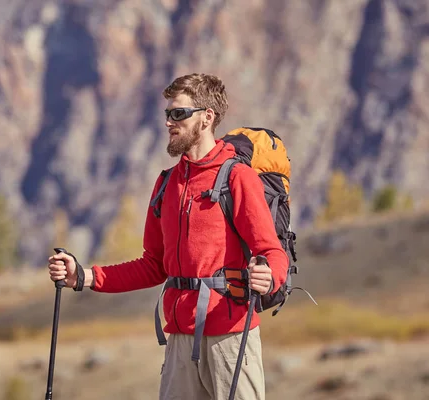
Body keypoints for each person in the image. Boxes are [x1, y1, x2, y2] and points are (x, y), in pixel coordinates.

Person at [48, 73, 288, 400]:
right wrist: (85, 277)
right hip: (179, 340)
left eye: (178, 114)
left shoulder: (237, 177)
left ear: (207, 118)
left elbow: (272, 252)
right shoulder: (166, 184)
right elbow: (153, 266)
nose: (169, 123)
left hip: (231, 340)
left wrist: (270, 276)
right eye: (167, 114)